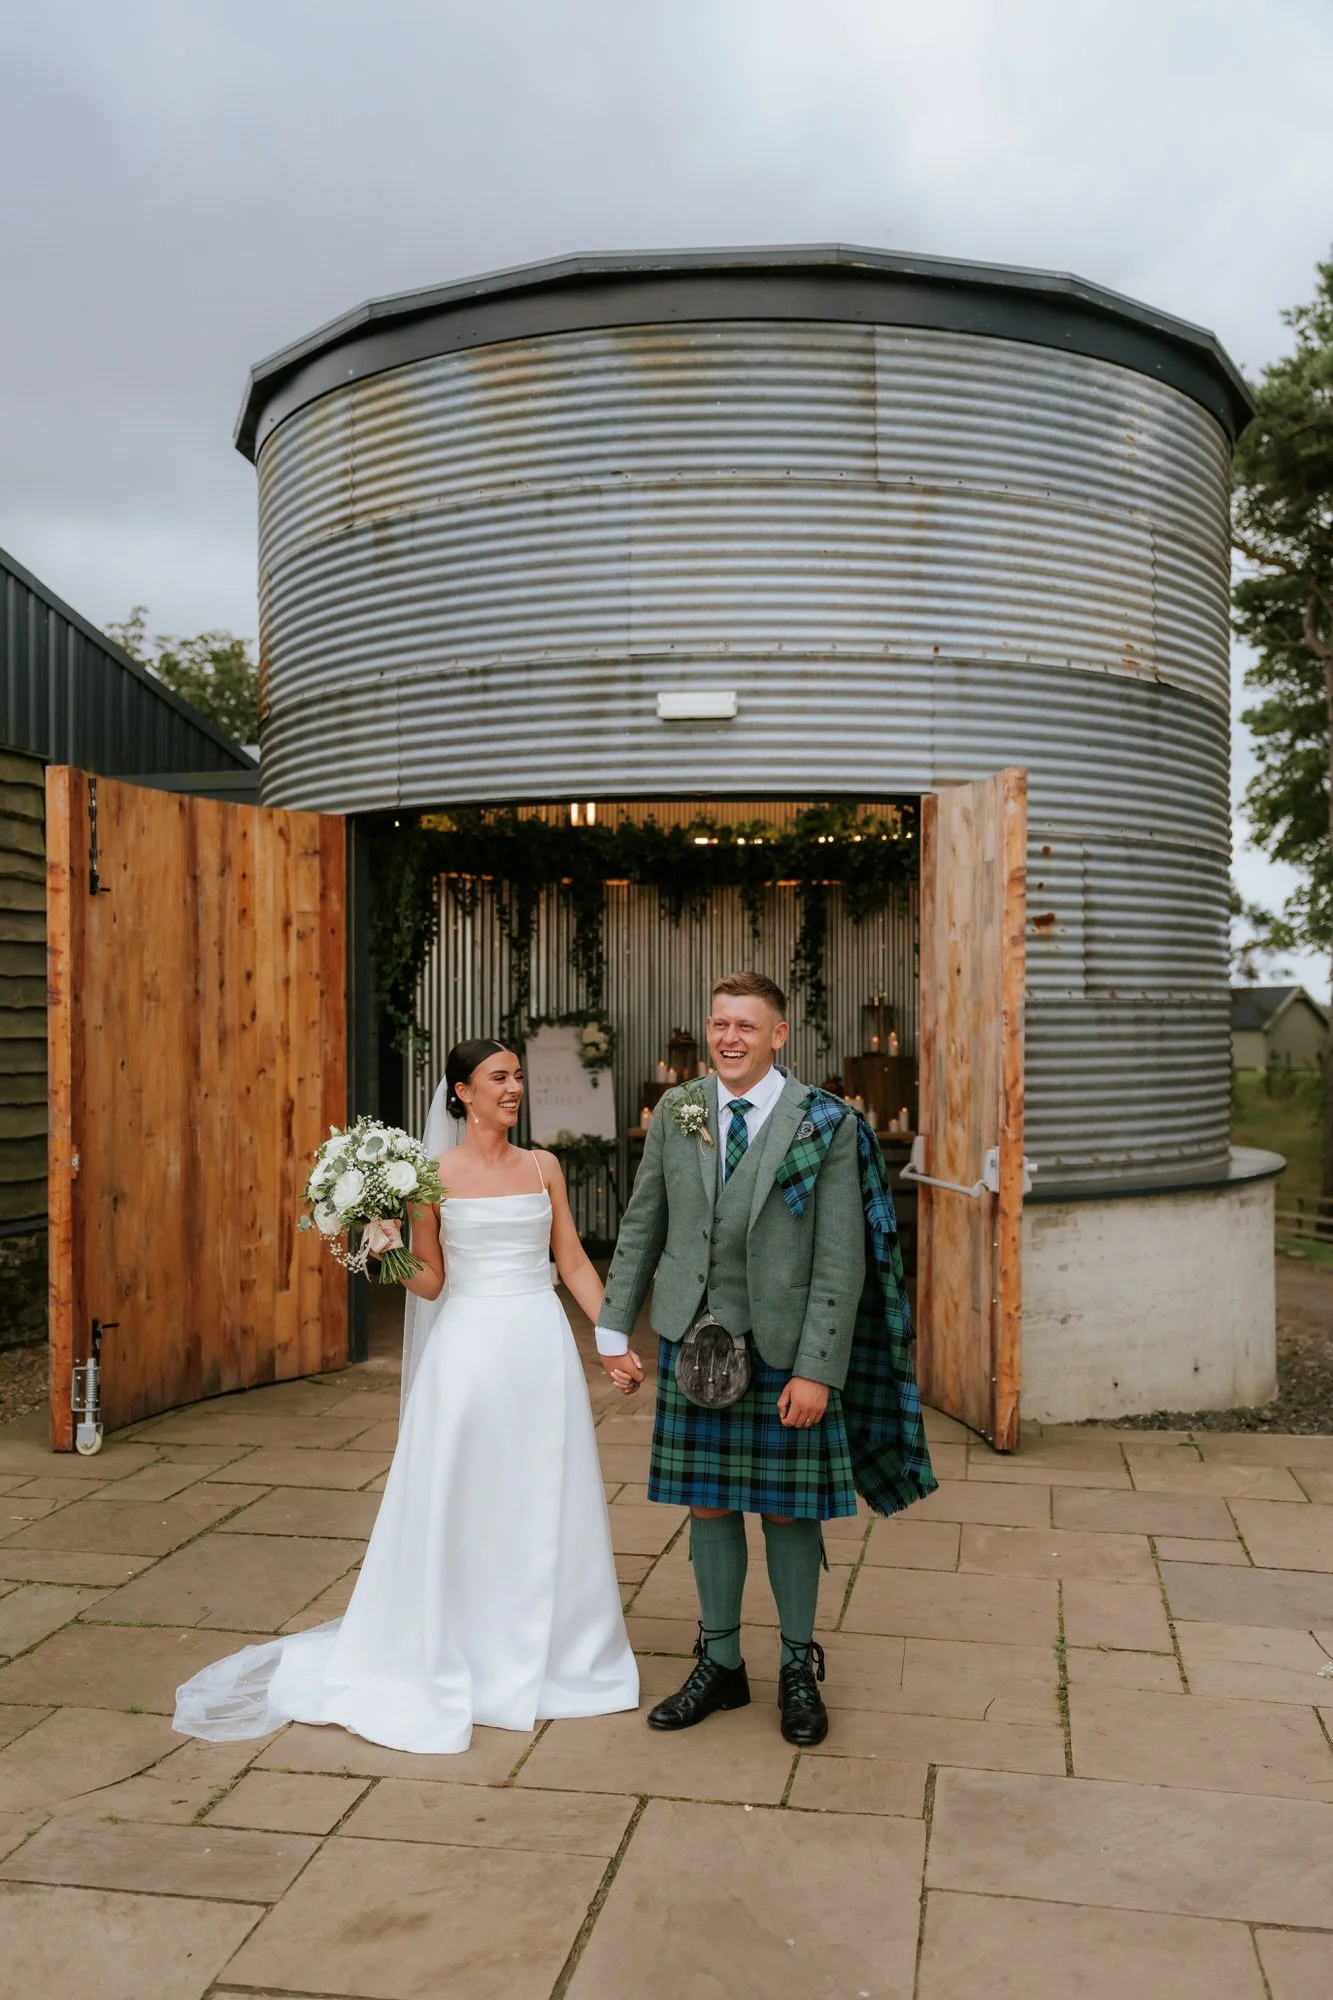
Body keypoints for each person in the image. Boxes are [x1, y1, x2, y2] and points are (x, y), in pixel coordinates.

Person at [173, 1037, 639, 1755]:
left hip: (539, 1346)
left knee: (545, 1487)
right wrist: (382, 1244)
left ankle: (557, 1648)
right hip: (470, 1349)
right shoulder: (431, 1176)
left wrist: (611, 1340)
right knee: (464, 1495)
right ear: (461, 1092)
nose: (512, 1088)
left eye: (516, 1077)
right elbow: (431, 1281)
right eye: (497, 1078)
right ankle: (461, 1641)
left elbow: (571, 1259)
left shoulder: (543, 1168)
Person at [595, 971, 935, 1746]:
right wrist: (614, 1327)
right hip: (691, 1341)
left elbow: (841, 1259)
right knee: (708, 1504)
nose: (728, 1039)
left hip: (784, 1348)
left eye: (745, 1026)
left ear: (778, 1035)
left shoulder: (825, 1122)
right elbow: (643, 1224)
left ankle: (793, 1667)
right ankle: (719, 1665)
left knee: (788, 1508)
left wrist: (818, 1368)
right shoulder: (679, 1111)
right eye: (719, 1024)